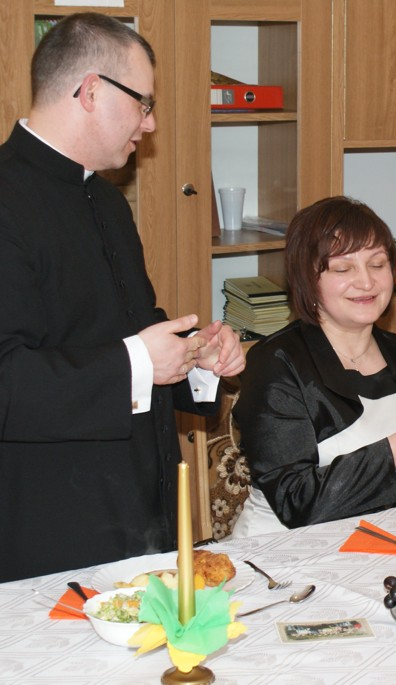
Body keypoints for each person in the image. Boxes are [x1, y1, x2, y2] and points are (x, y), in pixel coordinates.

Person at [0, 13, 244, 582]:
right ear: (90, 91)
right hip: (51, 530)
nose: (150, 123)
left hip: (143, 514)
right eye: (143, 102)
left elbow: (133, 334)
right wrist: (139, 360)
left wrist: (194, 357)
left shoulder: (108, 201)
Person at [231, 197, 396, 537]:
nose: (366, 282)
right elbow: (296, 500)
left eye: (377, 264)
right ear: (306, 278)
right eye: (343, 269)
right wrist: (393, 453)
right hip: (283, 548)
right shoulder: (276, 363)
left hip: (384, 539)